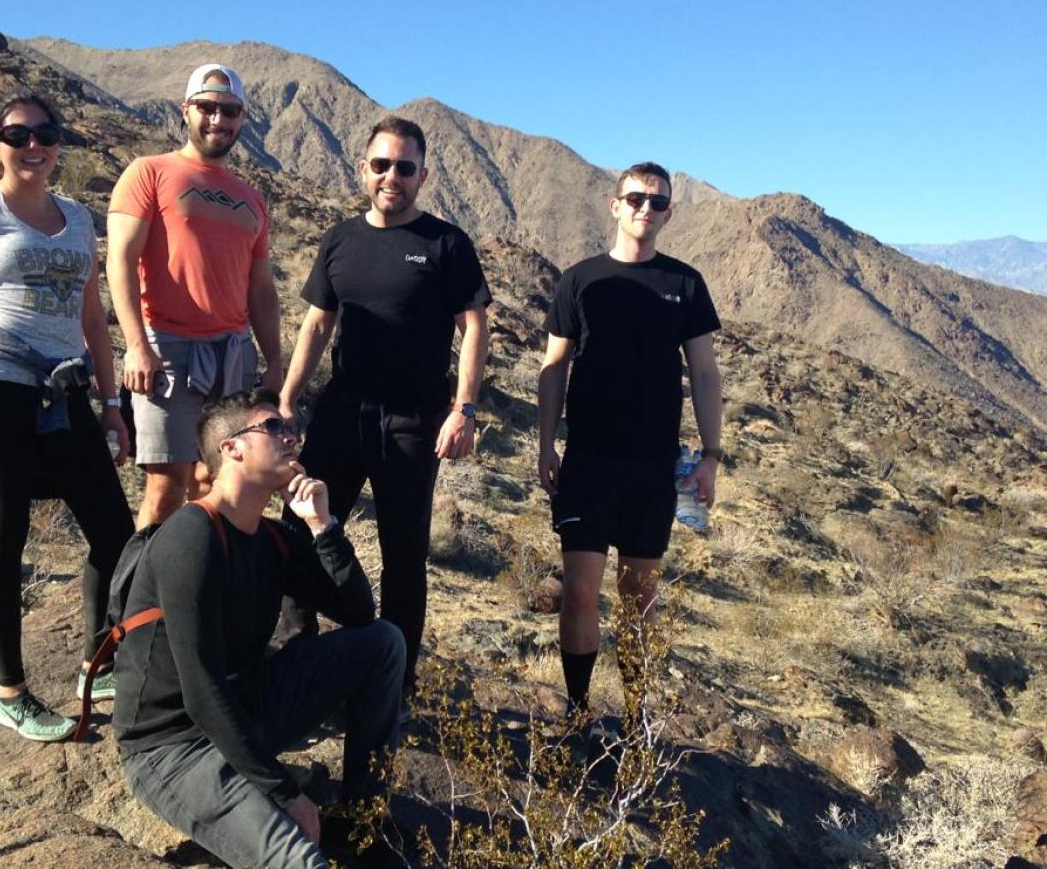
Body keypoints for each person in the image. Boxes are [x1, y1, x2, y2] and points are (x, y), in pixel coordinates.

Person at [114, 388, 405, 869]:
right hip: (173, 747)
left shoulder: (271, 539)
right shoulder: (192, 536)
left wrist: (325, 526)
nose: (291, 437)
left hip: (247, 705)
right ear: (231, 447)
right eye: (273, 427)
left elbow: (359, 616)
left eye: (292, 429)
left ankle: (359, 824)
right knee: (300, 860)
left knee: (384, 644)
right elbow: (201, 691)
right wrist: (286, 793)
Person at [0, 91, 135, 741]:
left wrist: (111, 405)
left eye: (45, 134)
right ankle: (11, 693)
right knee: (5, 531)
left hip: (67, 388)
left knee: (114, 529)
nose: (34, 145)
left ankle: (95, 664)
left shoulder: (77, 218)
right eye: (17, 135)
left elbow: (89, 318)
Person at [278, 115, 491, 705]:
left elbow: (474, 326)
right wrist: (288, 399)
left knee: (404, 555)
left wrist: (464, 408)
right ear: (362, 169)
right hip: (342, 412)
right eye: (381, 165)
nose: (391, 176)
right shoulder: (340, 239)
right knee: (298, 531)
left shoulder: (446, 244)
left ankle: (393, 681)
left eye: (404, 167)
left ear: (423, 174)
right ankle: (296, 656)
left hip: (414, 421)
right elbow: (317, 323)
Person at [537, 162, 723, 720]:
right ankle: (577, 713)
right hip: (588, 462)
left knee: (639, 599)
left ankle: (636, 716)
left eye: (658, 202)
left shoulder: (685, 284)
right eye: (637, 198)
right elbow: (554, 367)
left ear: (668, 213)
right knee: (580, 591)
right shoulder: (579, 280)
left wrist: (711, 456)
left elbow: (705, 373)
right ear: (614, 204)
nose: (646, 208)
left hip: (653, 468)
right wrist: (546, 444)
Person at [107, 63, 282, 529]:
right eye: (207, 107)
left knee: (216, 483)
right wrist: (137, 346)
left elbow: (261, 289)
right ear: (186, 110)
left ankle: (203, 593)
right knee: (166, 486)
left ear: (243, 119)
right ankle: (139, 598)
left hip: (233, 354)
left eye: (230, 111)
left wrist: (275, 362)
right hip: (167, 350)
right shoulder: (149, 173)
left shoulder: (252, 199)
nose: (217, 120)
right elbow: (120, 261)